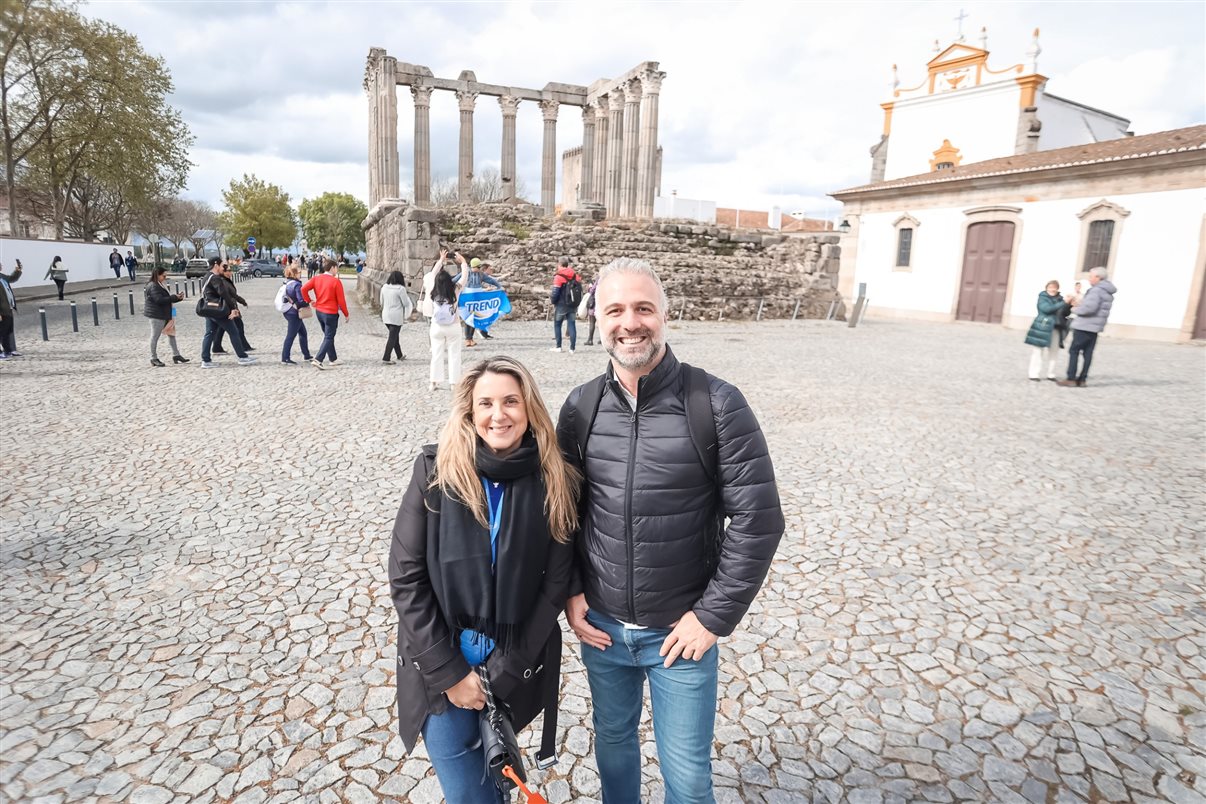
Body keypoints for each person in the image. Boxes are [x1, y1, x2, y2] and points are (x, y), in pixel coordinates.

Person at [556, 257, 785, 803]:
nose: (629, 322)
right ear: (596, 317)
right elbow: (562, 513)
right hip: (604, 628)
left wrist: (712, 617)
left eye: (643, 308)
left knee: (686, 778)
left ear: (665, 315)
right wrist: (569, 592)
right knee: (613, 745)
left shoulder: (717, 403)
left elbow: (759, 519)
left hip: (680, 636)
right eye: (614, 309)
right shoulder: (580, 407)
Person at [388, 355, 579, 804]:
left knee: (499, 775)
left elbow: (555, 582)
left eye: (511, 401)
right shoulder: (436, 473)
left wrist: (508, 666)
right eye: (486, 403)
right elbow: (406, 576)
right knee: (467, 795)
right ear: (469, 411)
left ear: (529, 408)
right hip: (440, 662)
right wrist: (450, 673)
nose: (499, 415)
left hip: (512, 659)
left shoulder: (557, 480)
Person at [1058, 266, 1117, 388]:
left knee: (1074, 351)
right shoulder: (1107, 291)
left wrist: (1074, 308)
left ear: (1098, 277)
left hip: (1084, 326)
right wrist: (1082, 304)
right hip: (1095, 327)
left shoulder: (1096, 290)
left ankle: (1071, 378)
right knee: (1088, 353)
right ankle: (1082, 379)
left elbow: (1089, 309)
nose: (1089, 279)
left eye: (1091, 276)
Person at [199, 258, 256, 368]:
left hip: (209, 310)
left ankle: (205, 360)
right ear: (216, 265)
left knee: (209, 334)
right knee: (234, 332)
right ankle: (242, 357)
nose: (223, 268)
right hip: (218, 311)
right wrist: (232, 309)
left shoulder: (206, 276)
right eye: (222, 265)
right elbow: (224, 294)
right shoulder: (215, 278)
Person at [301, 257, 350, 369]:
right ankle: (319, 359)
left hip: (320, 312)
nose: (337, 270)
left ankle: (333, 358)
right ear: (332, 268)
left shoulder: (316, 278)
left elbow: (303, 289)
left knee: (328, 336)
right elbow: (341, 301)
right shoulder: (336, 282)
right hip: (330, 313)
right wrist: (346, 314)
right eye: (336, 268)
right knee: (329, 336)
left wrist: (310, 301)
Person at [428, 251, 466, 391]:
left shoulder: (433, 289)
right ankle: (453, 383)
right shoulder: (455, 290)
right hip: (453, 325)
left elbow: (433, 274)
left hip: (436, 326)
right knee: (454, 354)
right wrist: (463, 263)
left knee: (436, 355)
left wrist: (441, 260)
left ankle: (433, 382)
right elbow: (464, 276)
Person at [451, 255, 502, 346]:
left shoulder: (481, 274)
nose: (479, 269)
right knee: (468, 318)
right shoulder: (466, 273)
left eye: (480, 267)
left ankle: (471, 338)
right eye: (478, 267)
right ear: (473, 266)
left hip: (477, 299)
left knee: (475, 318)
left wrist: (498, 286)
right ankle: (467, 339)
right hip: (468, 299)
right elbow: (454, 280)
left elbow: (490, 280)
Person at [143, 266, 188, 367]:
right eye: (164, 275)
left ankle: (176, 354)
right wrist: (173, 297)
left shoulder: (160, 284)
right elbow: (159, 300)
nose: (165, 277)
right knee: (155, 336)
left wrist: (177, 298)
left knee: (171, 333)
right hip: (157, 314)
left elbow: (166, 298)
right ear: (158, 275)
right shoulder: (153, 286)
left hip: (167, 313)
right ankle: (153, 358)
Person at [1023, 280, 1065, 381]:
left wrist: (1069, 304)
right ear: (1046, 288)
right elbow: (1047, 309)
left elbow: (1064, 312)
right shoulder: (1042, 298)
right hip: (1042, 326)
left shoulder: (1060, 299)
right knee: (1037, 351)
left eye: (1054, 287)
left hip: (1056, 327)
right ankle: (1033, 374)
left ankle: (1051, 374)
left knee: (1054, 351)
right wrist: (1063, 303)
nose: (1052, 289)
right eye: (1050, 287)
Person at [212, 263, 254, 354]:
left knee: (221, 328)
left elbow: (233, 295)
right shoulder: (223, 282)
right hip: (229, 308)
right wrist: (234, 308)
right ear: (224, 272)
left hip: (227, 308)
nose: (231, 272)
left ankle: (216, 346)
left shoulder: (226, 281)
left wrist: (242, 301)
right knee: (238, 327)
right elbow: (230, 296)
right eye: (229, 271)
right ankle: (243, 347)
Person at [280, 264, 313, 365]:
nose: (301, 273)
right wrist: (309, 302)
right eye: (299, 272)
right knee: (291, 335)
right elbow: (301, 300)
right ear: (294, 274)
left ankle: (306, 355)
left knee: (303, 333)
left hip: (288, 311)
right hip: (294, 313)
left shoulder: (288, 282)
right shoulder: (297, 285)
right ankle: (285, 358)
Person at [380, 270, 414, 364]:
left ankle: (399, 355)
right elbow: (405, 303)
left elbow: (381, 301)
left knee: (394, 336)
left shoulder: (384, 287)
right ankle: (386, 358)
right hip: (396, 316)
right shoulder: (400, 289)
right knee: (392, 337)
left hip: (386, 315)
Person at [549, 257, 581, 354]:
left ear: (559, 264)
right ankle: (572, 348)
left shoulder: (558, 276)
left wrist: (553, 301)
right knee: (572, 324)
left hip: (561, 304)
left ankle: (558, 346)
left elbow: (555, 292)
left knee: (557, 324)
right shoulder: (575, 276)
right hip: (572, 303)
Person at [0, 259, 23, 360]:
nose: (1, 266)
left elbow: (12, 278)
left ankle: (9, 350)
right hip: (2, 310)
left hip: (8, 308)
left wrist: (17, 270)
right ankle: (3, 352)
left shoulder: (2, 277)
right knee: (2, 332)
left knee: (8, 331)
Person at [584, 278, 598, 346]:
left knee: (592, 322)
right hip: (604, 304)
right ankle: (603, 339)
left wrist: (590, 288)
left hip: (595, 304)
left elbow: (592, 291)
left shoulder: (598, 280)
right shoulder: (608, 279)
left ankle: (590, 339)